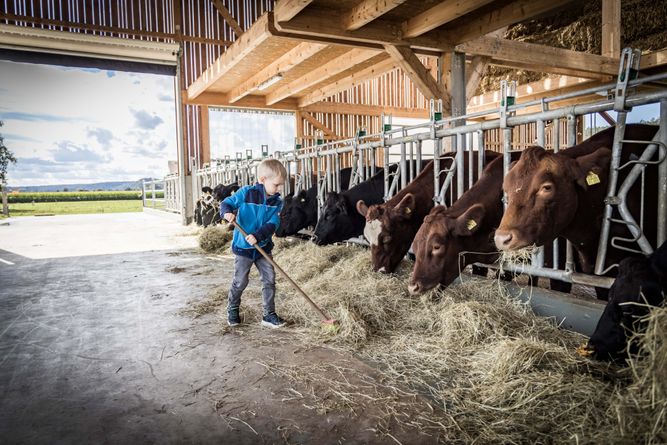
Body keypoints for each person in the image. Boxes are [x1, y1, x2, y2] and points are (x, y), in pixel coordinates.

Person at [220, 159, 287, 328]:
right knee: (241, 281)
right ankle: (233, 308)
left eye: (281, 185)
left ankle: (268, 314)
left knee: (269, 279)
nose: (279, 189)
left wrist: (258, 235)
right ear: (263, 179)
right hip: (243, 248)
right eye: (276, 185)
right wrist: (227, 213)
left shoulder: (277, 202)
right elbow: (226, 203)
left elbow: (274, 224)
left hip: (263, 246)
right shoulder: (246, 193)